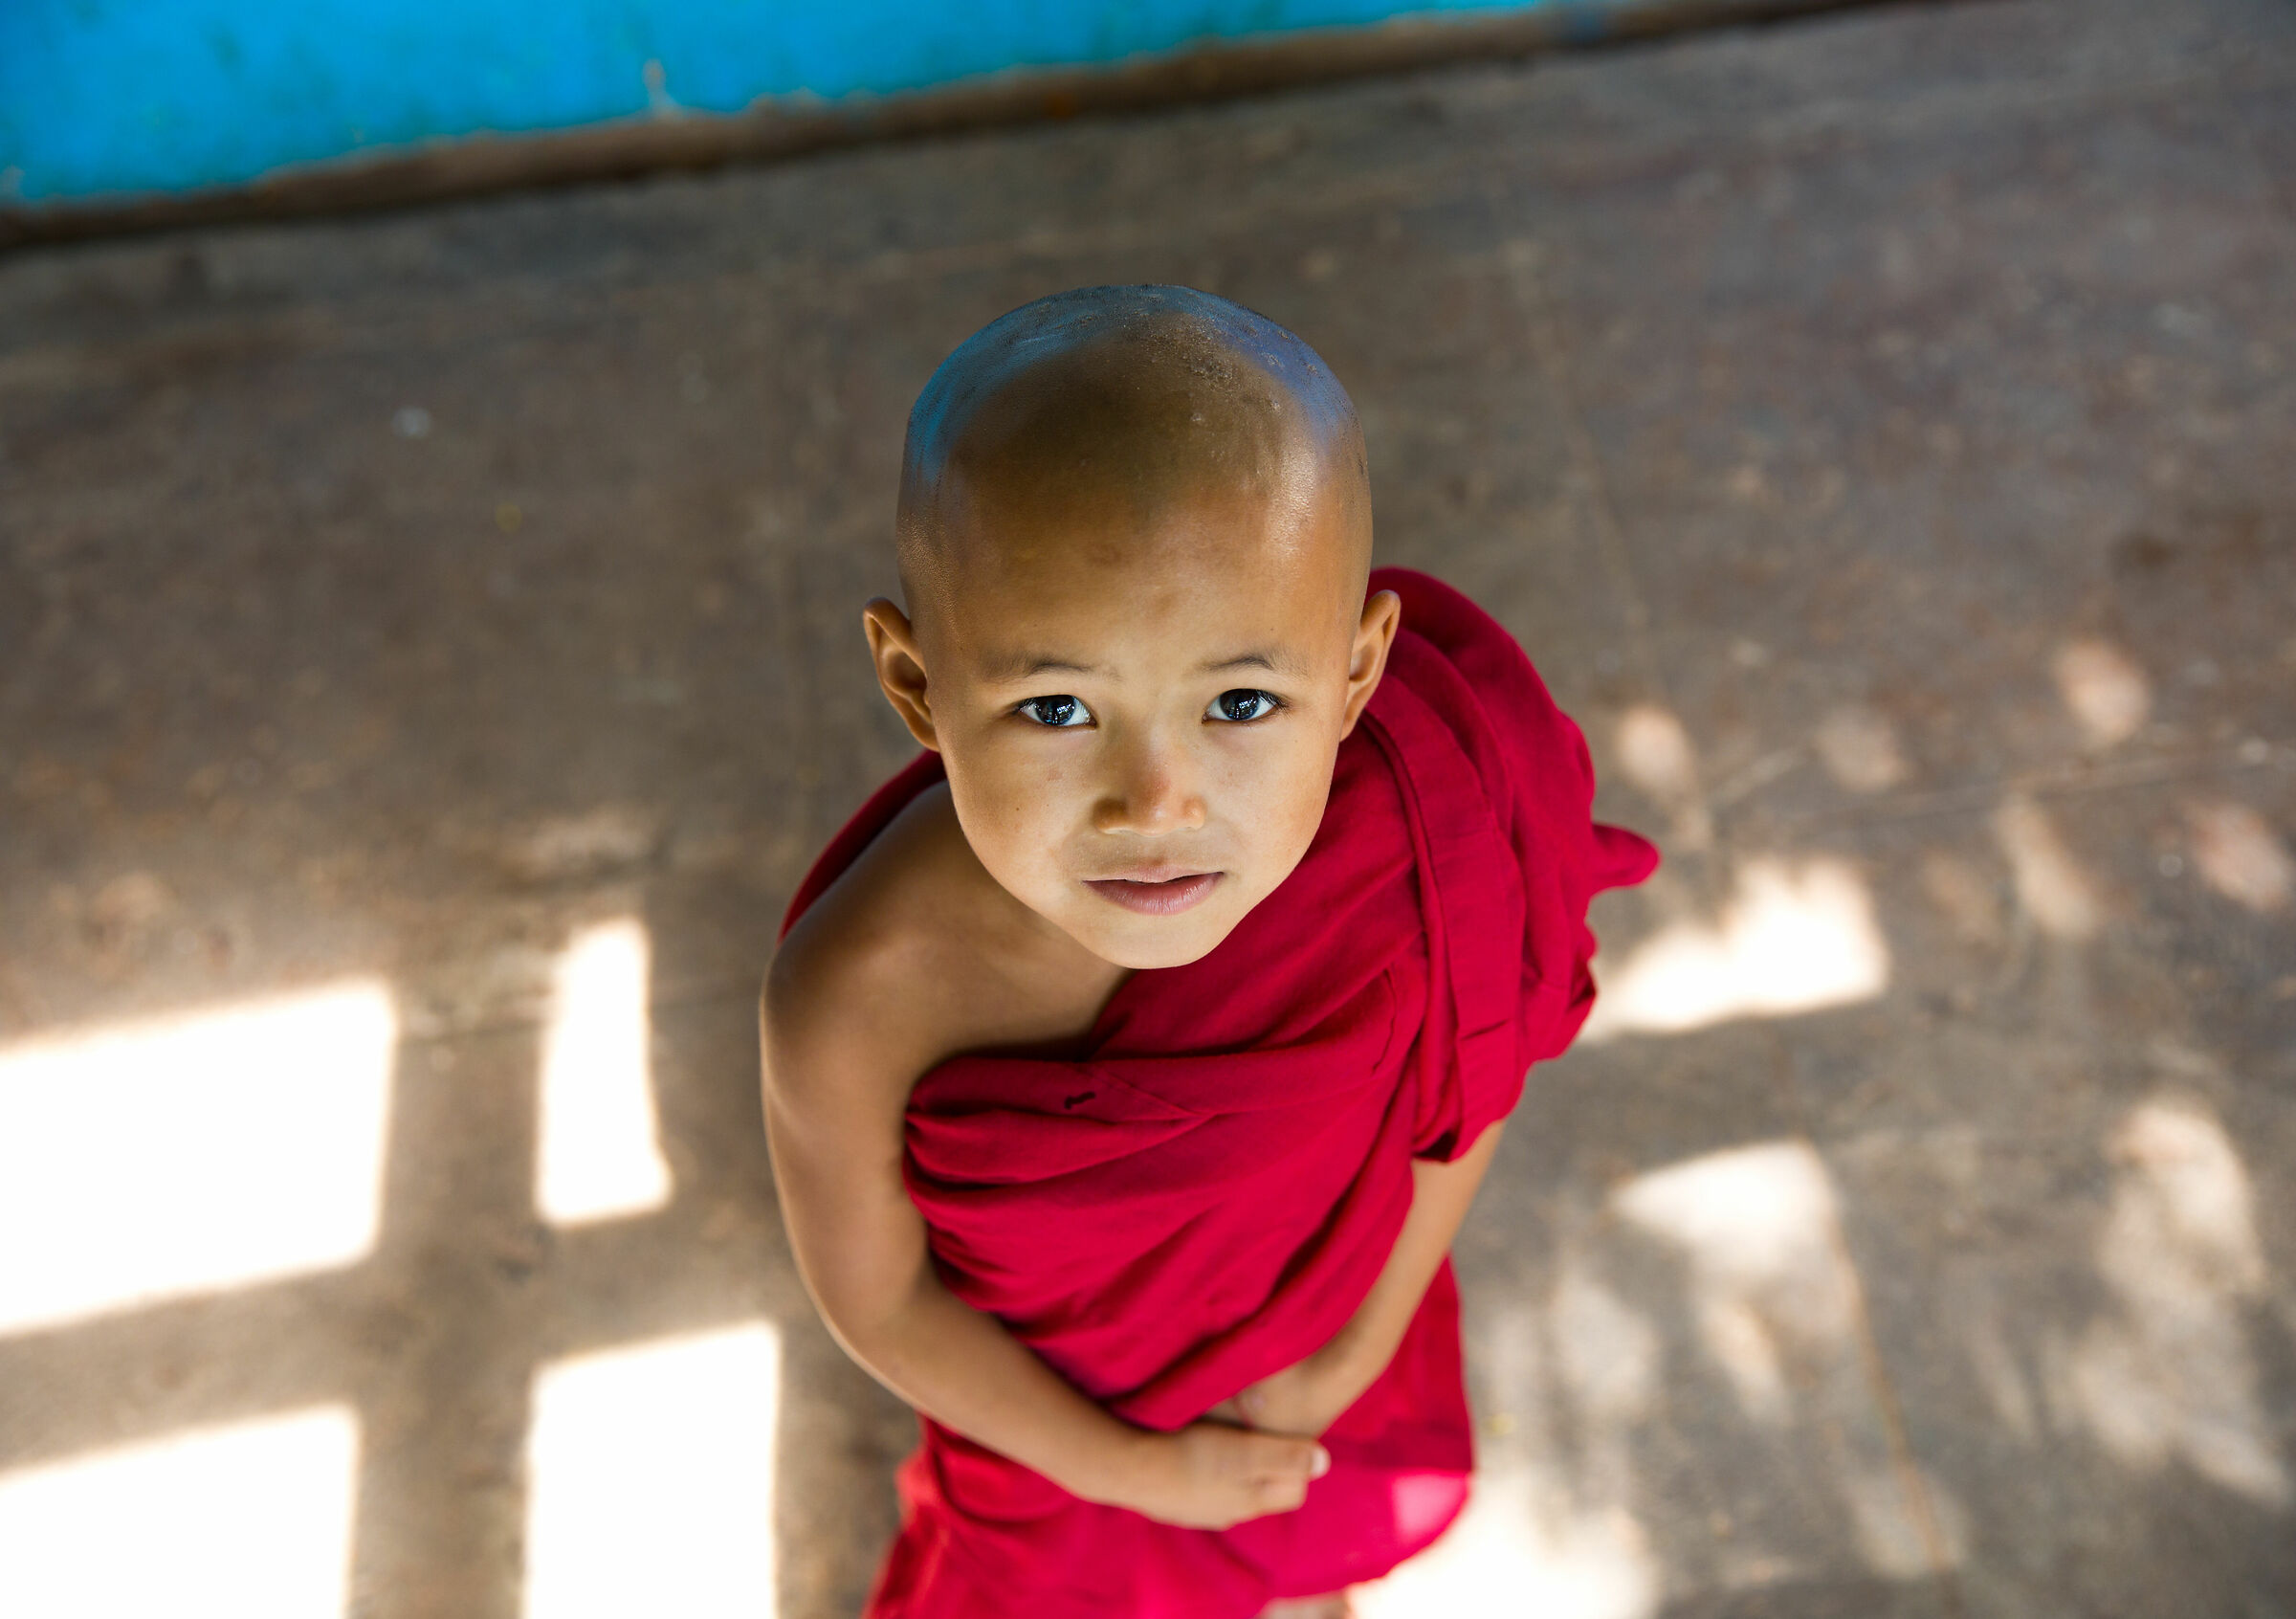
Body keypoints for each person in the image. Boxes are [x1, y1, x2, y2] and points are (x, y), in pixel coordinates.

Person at [760, 284, 1656, 1618]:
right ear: (917, 689)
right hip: (1057, 1460)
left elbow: (1475, 1082)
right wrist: (1133, 1475)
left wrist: (1345, 1358)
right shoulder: (859, 998)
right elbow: (882, 1308)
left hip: (1323, 1344)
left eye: (1243, 701)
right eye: (1057, 706)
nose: (1157, 805)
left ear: (1354, 679)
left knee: (1302, 1561)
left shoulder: (1421, 812)